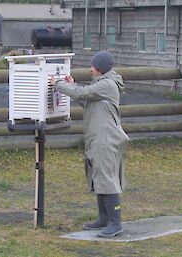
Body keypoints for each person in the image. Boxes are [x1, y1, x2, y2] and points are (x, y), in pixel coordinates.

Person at [50, 50, 129, 237]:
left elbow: (84, 93)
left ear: (100, 68)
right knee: (99, 177)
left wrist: (59, 84)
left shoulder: (108, 84)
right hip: (98, 138)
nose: (90, 68)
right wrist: (72, 86)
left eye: (93, 66)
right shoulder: (101, 84)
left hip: (106, 139)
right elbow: (87, 99)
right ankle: (104, 219)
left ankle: (115, 223)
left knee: (107, 180)